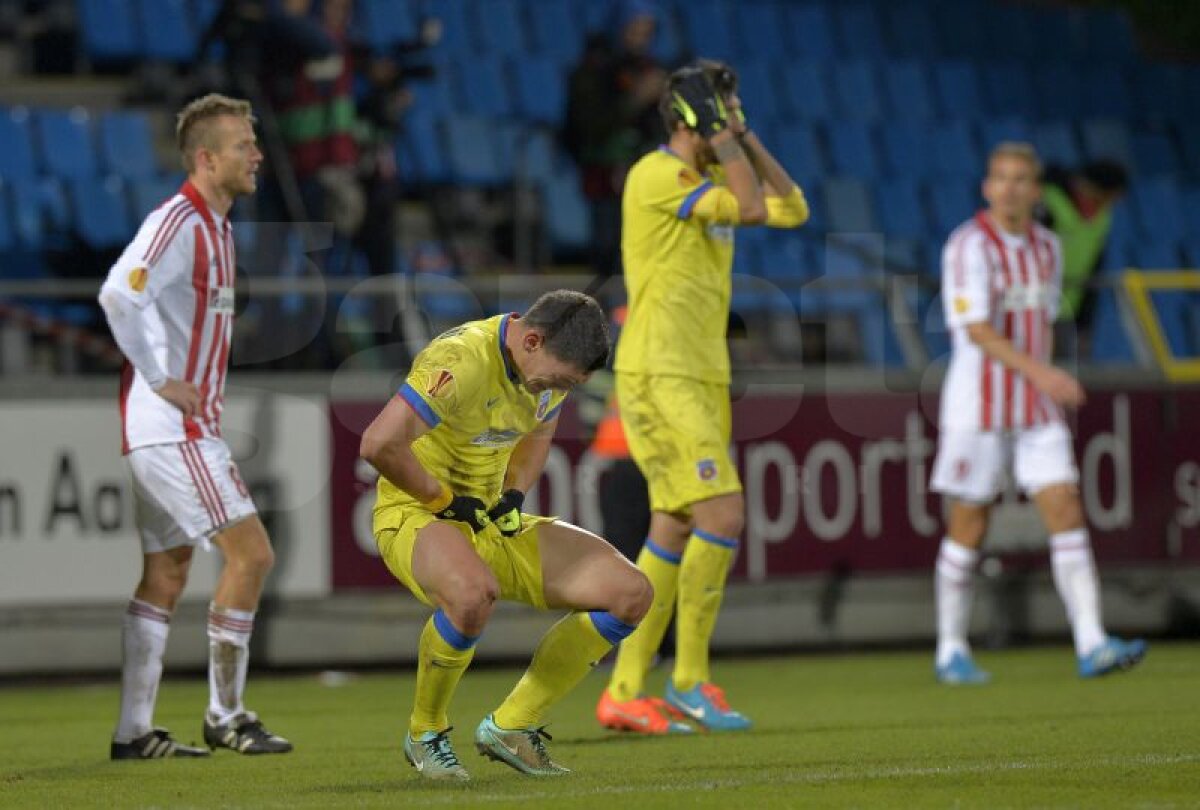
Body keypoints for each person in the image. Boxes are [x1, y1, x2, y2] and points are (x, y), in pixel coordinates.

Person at [595, 61, 809, 734]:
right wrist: (724, 142)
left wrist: (744, 139)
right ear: (694, 118)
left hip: (702, 372)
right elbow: (751, 209)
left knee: (676, 525)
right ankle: (687, 678)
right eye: (724, 106)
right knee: (723, 511)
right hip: (661, 372)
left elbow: (793, 207)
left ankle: (626, 689)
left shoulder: (711, 174)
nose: (734, 116)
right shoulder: (656, 176)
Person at [360, 290, 652, 780]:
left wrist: (514, 495)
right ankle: (426, 732)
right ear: (532, 340)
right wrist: (443, 501)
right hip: (416, 513)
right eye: (561, 379)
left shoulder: (544, 369)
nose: (559, 390)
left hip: (485, 519)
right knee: (472, 596)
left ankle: (513, 726)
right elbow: (379, 442)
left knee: (631, 593)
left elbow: (540, 431)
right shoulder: (463, 360)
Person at [98, 94, 292, 758]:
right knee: (253, 554)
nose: (257, 154)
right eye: (243, 145)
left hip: (167, 430)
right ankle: (226, 715)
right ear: (206, 159)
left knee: (167, 574)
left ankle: (133, 733)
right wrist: (158, 379)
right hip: (173, 430)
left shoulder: (218, 226)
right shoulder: (180, 221)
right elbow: (119, 293)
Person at [929, 142, 1147, 685]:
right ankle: (951, 648)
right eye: (1000, 178)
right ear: (986, 187)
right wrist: (1045, 373)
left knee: (1066, 507)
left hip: (1033, 405)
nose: (1010, 187)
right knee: (970, 524)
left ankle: (1092, 642)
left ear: (1036, 189)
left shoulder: (1047, 247)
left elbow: (1044, 322)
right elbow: (976, 329)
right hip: (977, 404)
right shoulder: (968, 245)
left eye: (1021, 179)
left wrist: (1042, 378)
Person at [563, 0, 666, 281]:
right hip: (605, 180)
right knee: (610, 253)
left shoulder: (651, 69)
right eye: (634, 30)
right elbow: (591, 128)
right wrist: (636, 99)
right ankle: (606, 314)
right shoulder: (592, 72)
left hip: (644, 180)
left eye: (646, 32)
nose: (640, 39)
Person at [1037, 159, 1129, 358]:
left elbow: (1093, 269)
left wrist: (1084, 322)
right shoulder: (1046, 204)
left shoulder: (1102, 217)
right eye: (1106, 197)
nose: (1107, 203)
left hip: (1066, 312)